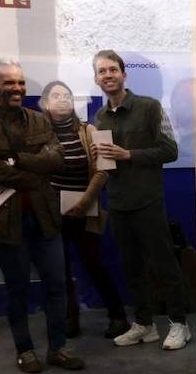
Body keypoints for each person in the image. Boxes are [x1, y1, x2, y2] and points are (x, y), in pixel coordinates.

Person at [0, 59, 84, 374]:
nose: (17, 88)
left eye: (20, 82)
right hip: (6, 221)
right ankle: (25, 350)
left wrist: (16, 160)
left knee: (56, 284)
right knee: (17, 287)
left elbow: (58, 160)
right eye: (9, 83)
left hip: (45, 217)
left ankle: (57, 348)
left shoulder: (39, 120)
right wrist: (35, 172)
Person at [91, 49, 190, 351]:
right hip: (118, 203)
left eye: (113, 69)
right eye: (102, 71)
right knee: (131, 268)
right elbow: (106, 164)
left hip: (148, 201)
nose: (108, 75)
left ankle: (179, 324)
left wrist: (128, 155)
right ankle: (145, 325)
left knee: (164, 265)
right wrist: (96, 157)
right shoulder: (100, 117)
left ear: (124, 74)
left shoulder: (150, 107)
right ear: (96, 79)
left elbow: (170, 151)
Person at [39, 80, 129, 340]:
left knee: (94, 263)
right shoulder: (38, 135)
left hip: (84, 209)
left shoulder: (91, 130)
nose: (63, 99)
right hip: (51, 211)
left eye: (67, 95)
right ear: (45, 103)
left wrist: (86, 201)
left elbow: (104, 169)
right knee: (60, 268)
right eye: (56, 96)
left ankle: (118, 317)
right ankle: (70, 319)